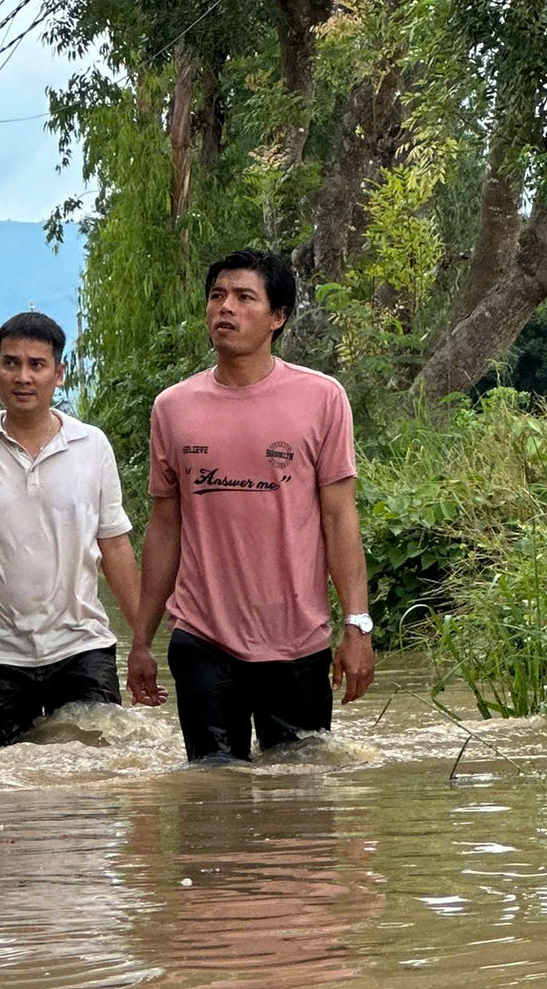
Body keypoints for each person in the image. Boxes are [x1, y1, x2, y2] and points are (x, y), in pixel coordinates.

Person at [128, 249, 376, 763]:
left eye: (244, 298)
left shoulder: (322, 398)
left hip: (296, 640)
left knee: (303, 804)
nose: (226, 309)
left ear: (278, 317)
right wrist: (141, 641)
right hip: (201, 636)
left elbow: (339, 518)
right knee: (212, 793)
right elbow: (165, 527)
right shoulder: (173, 407)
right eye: (217, 296)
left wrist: (357, 626)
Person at [0, 312, 143, 746]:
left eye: (37, 364)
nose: (23, 376)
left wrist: (142, 639)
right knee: (3, 793)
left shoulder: (92, 446)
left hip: (81, 646)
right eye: (11, 363)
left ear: (59, 373)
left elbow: (116, 546)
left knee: (95, 780)